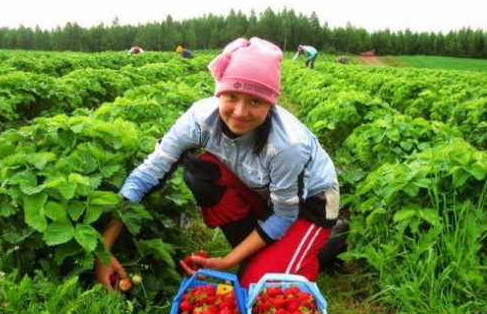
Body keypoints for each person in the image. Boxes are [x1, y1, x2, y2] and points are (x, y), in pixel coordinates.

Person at [96, 37, 344, 290]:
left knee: (256, 287)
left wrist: (226, 262)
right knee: (201, 173)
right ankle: (255, 255)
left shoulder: (288, 145)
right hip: (266, 190)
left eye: (255, 101)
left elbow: (284, 215)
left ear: (271, 103)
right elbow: (148, 174)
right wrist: (104, 249)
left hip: (309, 205)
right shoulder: (200, 119)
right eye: (232, 96)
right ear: (219, 92)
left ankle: (327, 242)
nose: (239, 111)